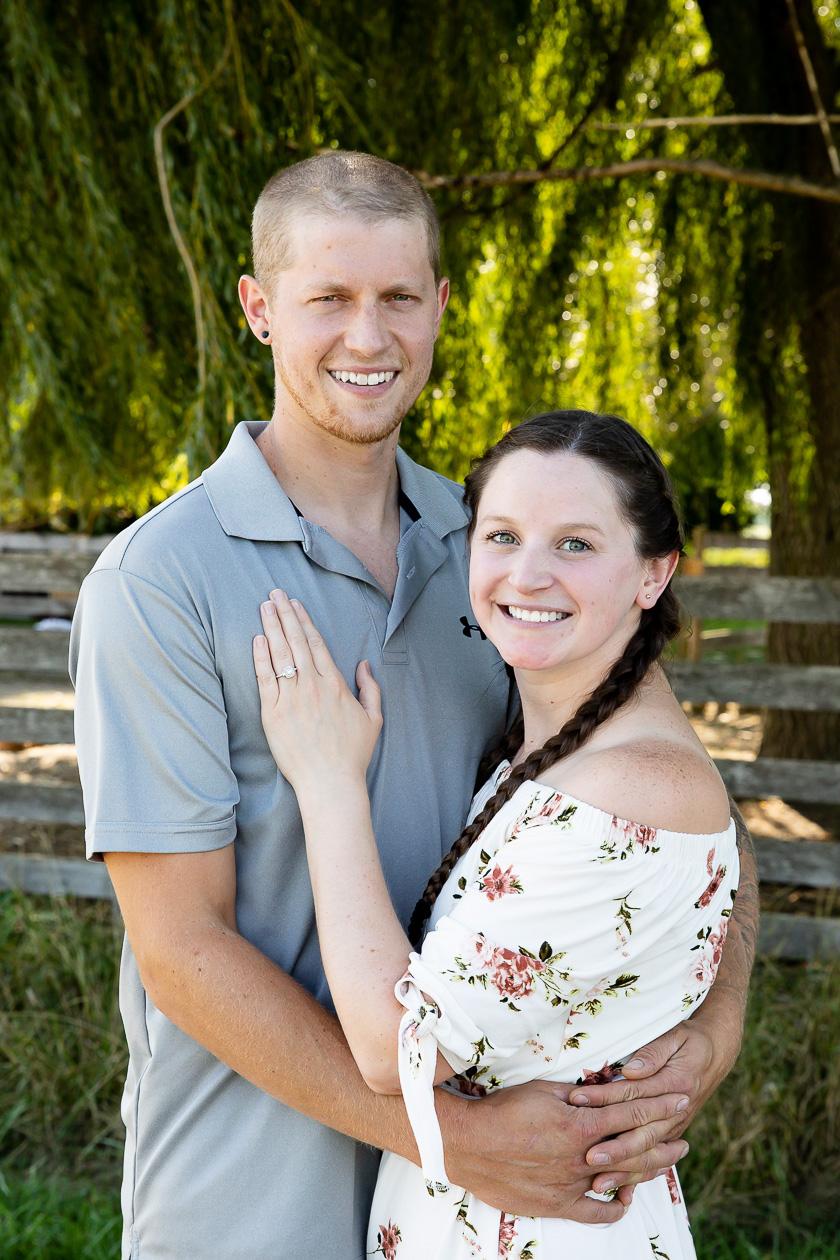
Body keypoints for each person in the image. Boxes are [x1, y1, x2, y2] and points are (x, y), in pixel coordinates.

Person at [70, 152, 757, 1260]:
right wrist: (454, 1138)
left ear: (440, 307)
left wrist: (713, 1027)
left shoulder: (498, 552)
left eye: (397, 298)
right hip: (255, 1202)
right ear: (257, 310)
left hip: (480, 1215)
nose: (368, 336)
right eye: (328, 300)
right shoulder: (160, 584)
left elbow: (672, 802)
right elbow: (182, 953)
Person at [253, 408, 740, 1258]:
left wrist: (329, 782)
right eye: (503, 535)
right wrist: (721, 1017)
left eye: (577, 545)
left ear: (654, 574)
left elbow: (390, 1048)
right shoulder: (577, 738)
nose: (528, 574)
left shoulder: (629, 788)